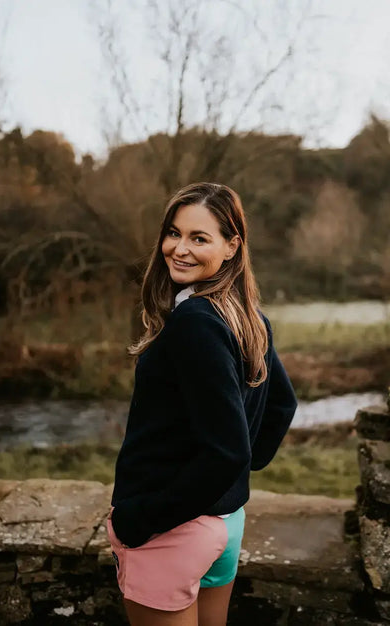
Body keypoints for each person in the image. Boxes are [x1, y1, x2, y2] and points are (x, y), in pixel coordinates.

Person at [106, 182, 297, 626]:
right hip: (226, 521)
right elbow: (282, 406)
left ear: (232, 247)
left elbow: (230, 450)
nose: (179, 248)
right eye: (174, 233)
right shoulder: (246, 313)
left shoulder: (195, 322)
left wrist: (141, 520)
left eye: (199, 238)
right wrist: (234, 481)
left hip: (175, 529)